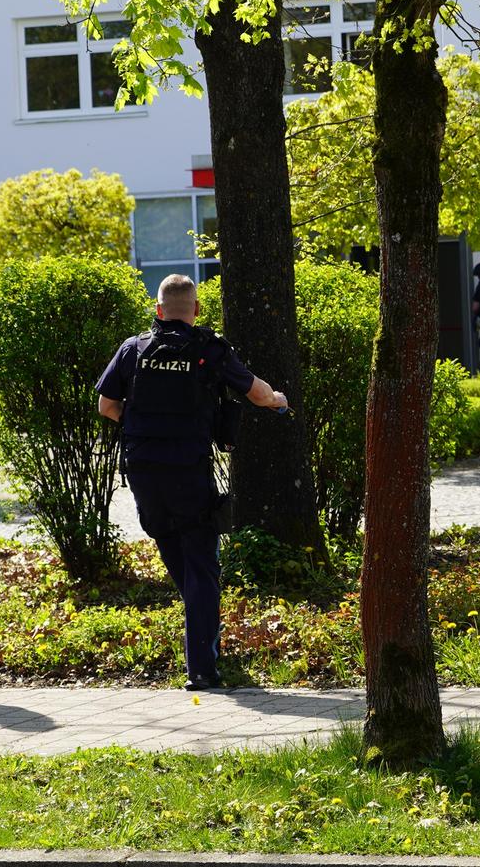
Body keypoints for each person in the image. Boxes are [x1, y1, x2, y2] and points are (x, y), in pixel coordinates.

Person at [95, 274, 289, 690]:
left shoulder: (134, 350)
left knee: (178, 555)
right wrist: (278, 400)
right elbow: (256, 393)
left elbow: (106, 404)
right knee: (202, 565)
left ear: (158, 310)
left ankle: (201, 634)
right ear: (196, 310)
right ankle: (202, 667)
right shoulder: (209, 349)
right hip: (189, 470)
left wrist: (140, 421)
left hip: (144, 471)